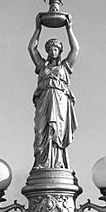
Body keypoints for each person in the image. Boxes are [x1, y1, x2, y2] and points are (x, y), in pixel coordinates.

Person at [28, 13, 79, 169]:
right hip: (44, 101)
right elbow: (31, 48)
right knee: (41, 132)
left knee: (56, 131)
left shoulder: (64, 67)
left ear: (59, 51)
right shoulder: (42, 66)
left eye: (55, 49)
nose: (52, 52)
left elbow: (75, 49)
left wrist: (69, 29)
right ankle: (42, 163)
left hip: (59, 101)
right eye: (50, 49)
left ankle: (58, 163)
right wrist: (38, 29)